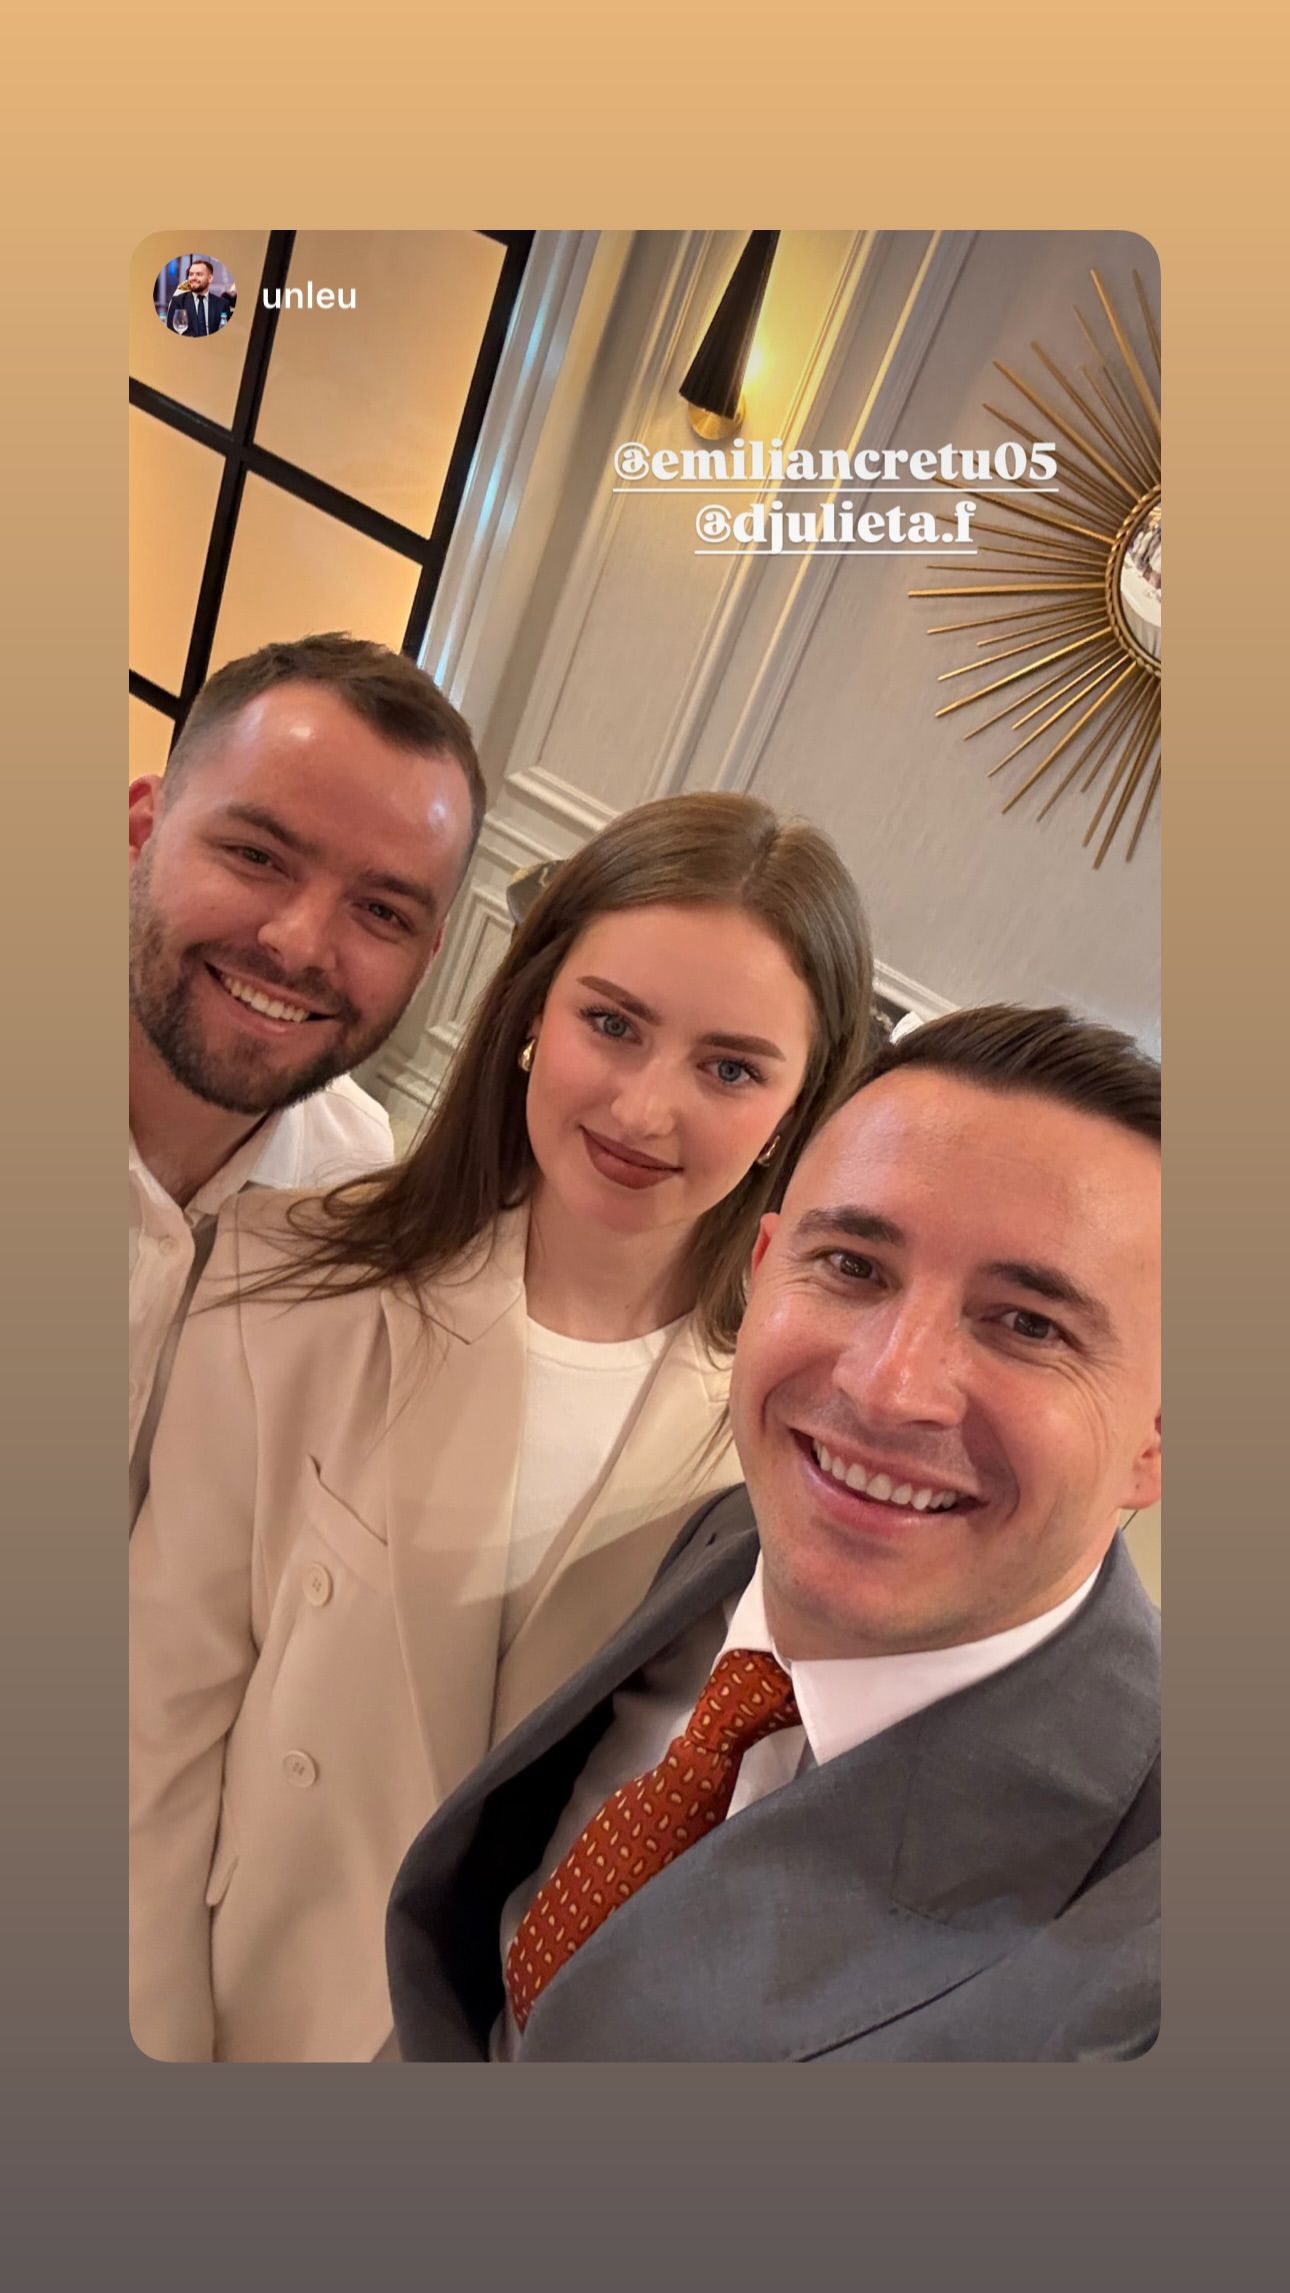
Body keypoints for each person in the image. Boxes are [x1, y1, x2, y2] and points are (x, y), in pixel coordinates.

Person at [129, 791, 874, 2062]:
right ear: (531, 1013)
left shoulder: (799, 1438)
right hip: (228, 2010)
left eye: (731, 1068)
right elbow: (150, 1735)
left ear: (796, 1113)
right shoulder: (284, 1282)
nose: (646, 1110)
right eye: (612, 1023)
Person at [387, 1004, 1163, 2064]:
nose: (887, 1386)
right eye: (853, 1265)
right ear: (762, 1269)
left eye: (1029, 1324)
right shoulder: (732, 1537)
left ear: (1159, 1433)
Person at [129, 632, 485, 1511]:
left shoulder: (350, 1187)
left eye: (381, 911)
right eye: (256, 855)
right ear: (141, 829)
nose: (298, 945)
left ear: (428, 955)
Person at [166, 258, 235, 336]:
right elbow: (172, 333)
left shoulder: (222, 304)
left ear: (210, 278)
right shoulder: (178, 301)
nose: (193, 278)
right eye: (191, 274)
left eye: (199, 274)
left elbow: (228, 335)